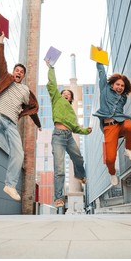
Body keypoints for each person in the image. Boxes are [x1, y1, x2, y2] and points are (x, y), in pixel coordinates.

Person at [0, 32, 41, 201]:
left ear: (23, 76)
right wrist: (0, 42)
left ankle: (10, 185)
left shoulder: (25, 91)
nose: (18, 73)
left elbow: (33, 108)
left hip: (11, 124)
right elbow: (1, 62)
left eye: (21, 72)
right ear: (13, 72)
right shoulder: (6, 78)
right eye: (17, 70)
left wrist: (39, 125)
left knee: (19, 153)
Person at [45, 60, 92, 208]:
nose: (65, 94)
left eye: (68, 94)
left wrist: (86, 130)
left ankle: (80, 175)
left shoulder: (72, 112)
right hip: (58, 136)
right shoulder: (56, 100)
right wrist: (51, 68)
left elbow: (76, 127)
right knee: (59, 169)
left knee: (78, 157)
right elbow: (52, 85)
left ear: (71, 99)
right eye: (63, 93)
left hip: (69, 136)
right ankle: (59, 198)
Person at [93, 47, 131, 187]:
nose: (120, 87)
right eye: (118, 84)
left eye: (122, 86)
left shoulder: (123, 98)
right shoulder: (105, 88)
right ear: (112, 84)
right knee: (110, 158)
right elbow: (101, 72)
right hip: (109, 128)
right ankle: (112, 173)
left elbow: (122, 112)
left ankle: (129, 149)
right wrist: (99, 56)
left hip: (121, 123)